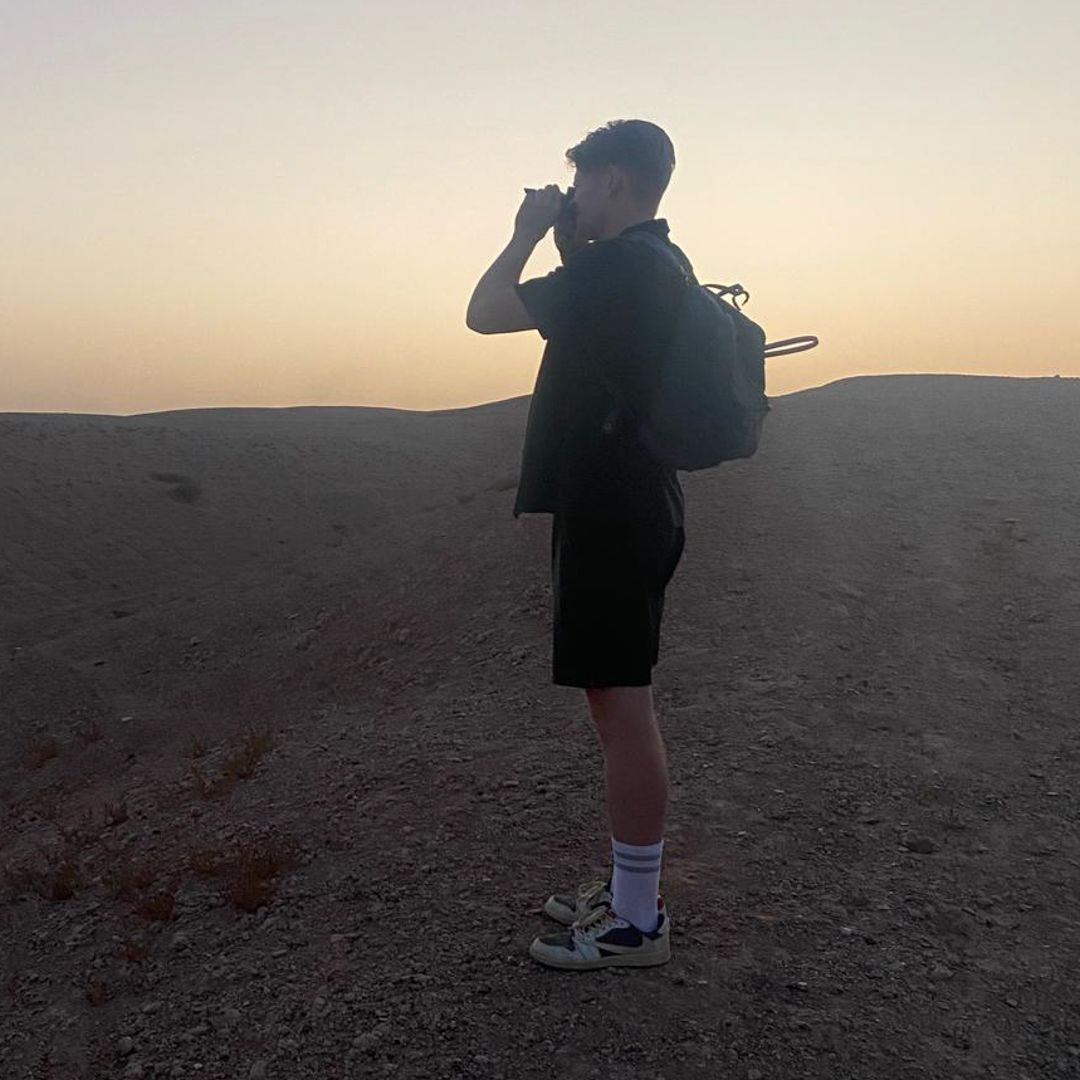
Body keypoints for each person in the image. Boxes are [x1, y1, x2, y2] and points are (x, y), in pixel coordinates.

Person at [465, 119, 691, 970]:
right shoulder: (649, 262)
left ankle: (637, 922)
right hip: (629, 502)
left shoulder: (620, 268)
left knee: (624, 708)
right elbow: (592, 337)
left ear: (615, 181)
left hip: (613, 511)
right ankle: (631, 893)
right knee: (617, 702)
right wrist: (569, 239)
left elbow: (484, 312)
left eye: (584, 181)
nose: (574, 193)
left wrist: (525, 233)